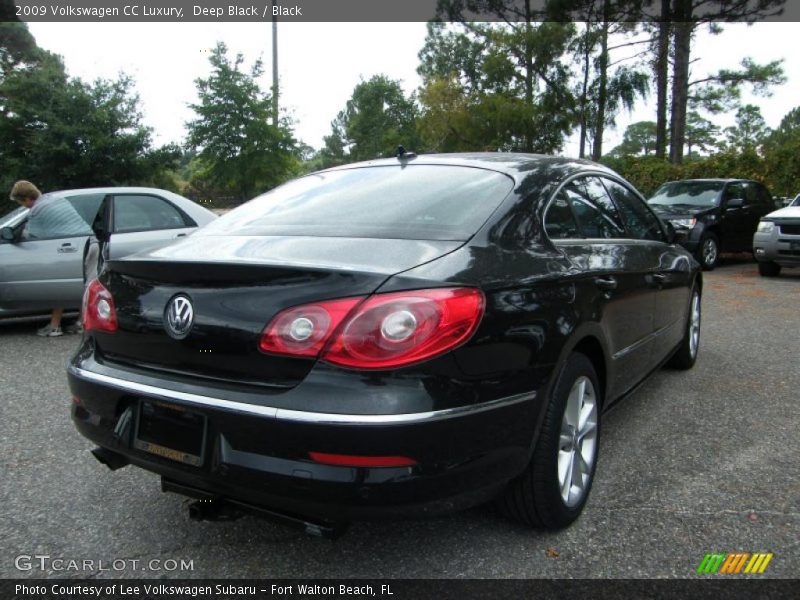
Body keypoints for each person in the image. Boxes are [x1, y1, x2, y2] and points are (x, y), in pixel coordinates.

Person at [8, 180, 85, 337]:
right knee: (78, 286)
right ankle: (79, 323)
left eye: (21, 203)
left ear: (27, 199)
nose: (24, 206)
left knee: (61, 286)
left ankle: (55, 326)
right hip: (86, 243)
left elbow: (31, 236)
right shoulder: (54, 199)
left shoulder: (37, 210)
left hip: (72, 248)